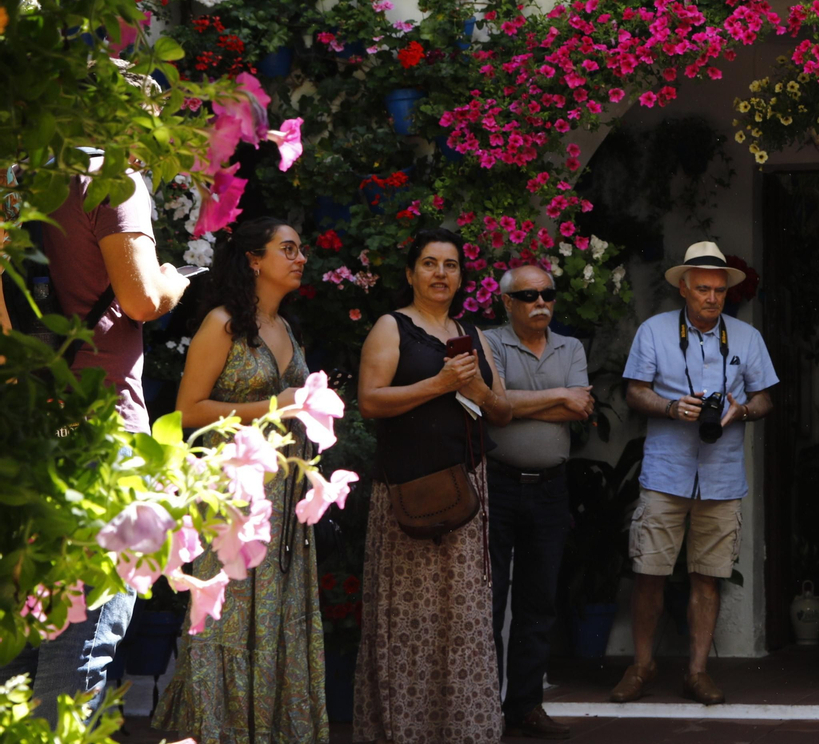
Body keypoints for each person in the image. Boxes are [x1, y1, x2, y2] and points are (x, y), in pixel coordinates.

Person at [0, 152, 189, 725]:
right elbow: (139, 299)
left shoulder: (14, 178)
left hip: (24, 420)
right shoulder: (113, 179)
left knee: (21, 626)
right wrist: (174, 285)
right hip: (99, 421)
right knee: (85, 626)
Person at [153, 218, 327, 744]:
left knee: (275, 618)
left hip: (285, 500)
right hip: (233, 495)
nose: (300, 259)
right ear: (254, 259)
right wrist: (278, 405)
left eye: (301, 249)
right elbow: (187, 411)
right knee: (227, 620)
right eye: (288, 249)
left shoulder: (285, 328)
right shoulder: (223, 323)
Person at [353, 228, 512, 744]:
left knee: (463, 622)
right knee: (410, 623)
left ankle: (463, 731)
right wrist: (439, 385)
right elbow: (371, 401)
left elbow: (503, 412)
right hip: (410, 491)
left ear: (461, 275)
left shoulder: (474, 333)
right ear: (410, 273)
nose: (441, 274)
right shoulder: (391, 327)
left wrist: (476, 387)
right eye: (429, 263)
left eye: (450, 265)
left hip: (468, 493)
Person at [609, 242, 777, 707]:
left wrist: (740, 410)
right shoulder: (654, 331)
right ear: (683, 288)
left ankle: (697, 671)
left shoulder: (746, 337)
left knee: (709, 576)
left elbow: (766, 400)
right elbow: (634, 392)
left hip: (721, 476)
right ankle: (642, 665)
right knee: (649, 572)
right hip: (666, 472)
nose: (712, 297)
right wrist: (670, 406)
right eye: (702, 288)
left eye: (719, 290)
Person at [482, 264, 594, 741]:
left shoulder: (572, 347)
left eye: (548, 293)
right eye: (528, 296)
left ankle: (525, 705)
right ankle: (483, 706)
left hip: (550, 488)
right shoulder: (489, 342)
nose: (540, 302)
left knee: (538, 601)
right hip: (498, 484)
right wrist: (558, 397)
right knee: (490, 600)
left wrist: (523, 401)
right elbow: (496, 408)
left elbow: (582, 406)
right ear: (507, 303)